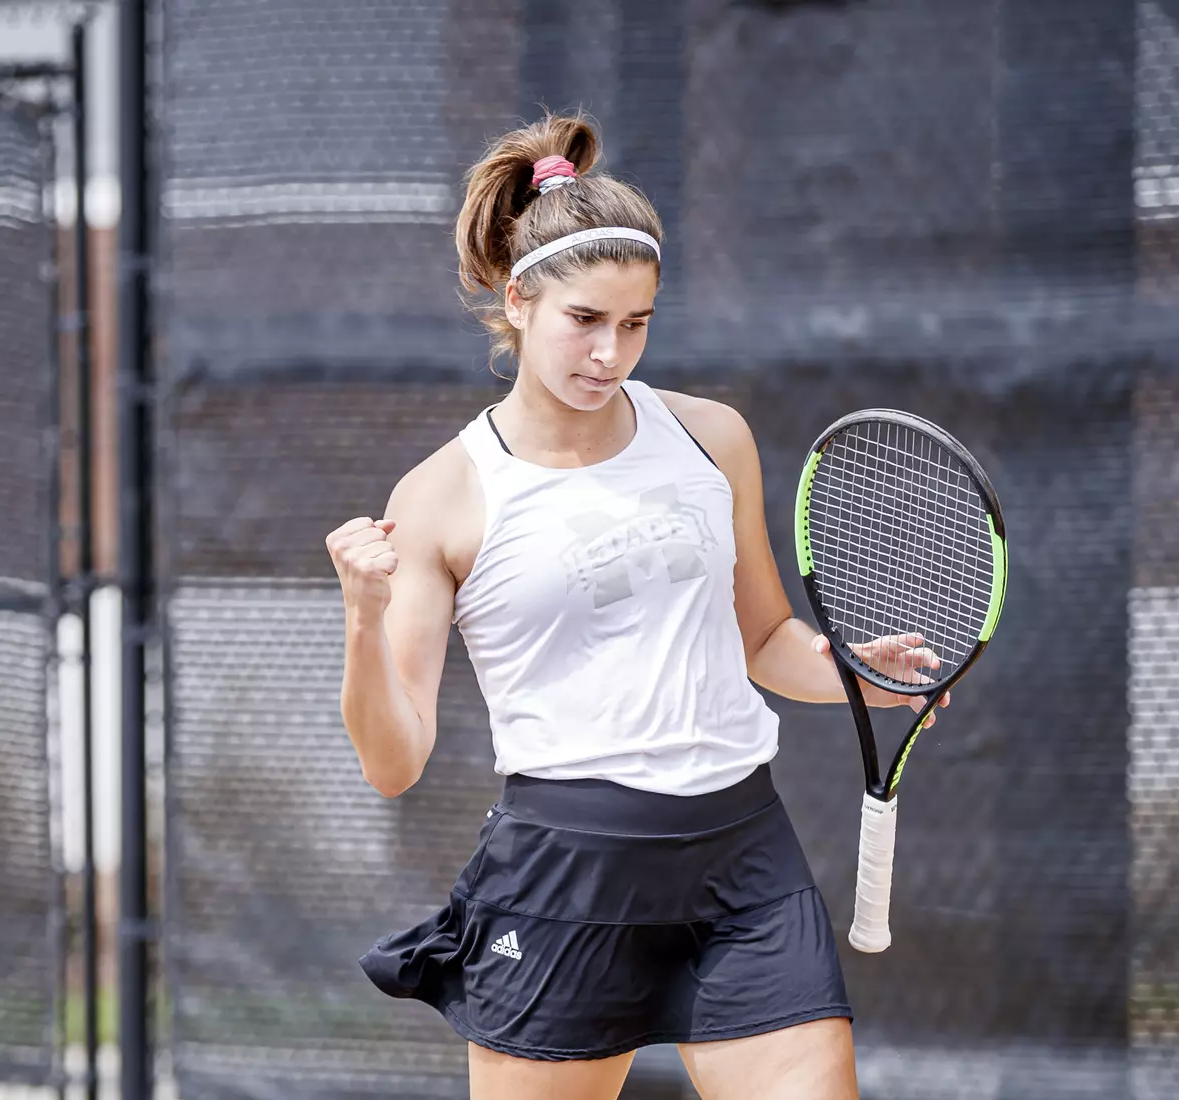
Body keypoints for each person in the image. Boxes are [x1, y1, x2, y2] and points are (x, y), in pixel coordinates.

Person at [324, 112, 948, 1100]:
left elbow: (765, 638)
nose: (612, 352)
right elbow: (392, 760)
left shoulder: (712, 437)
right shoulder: (442, 495)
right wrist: (363, 614)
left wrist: (855, 674)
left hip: (743, 862)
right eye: (586, 320)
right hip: (565, 879)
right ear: (519, 300)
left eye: (637, 323)